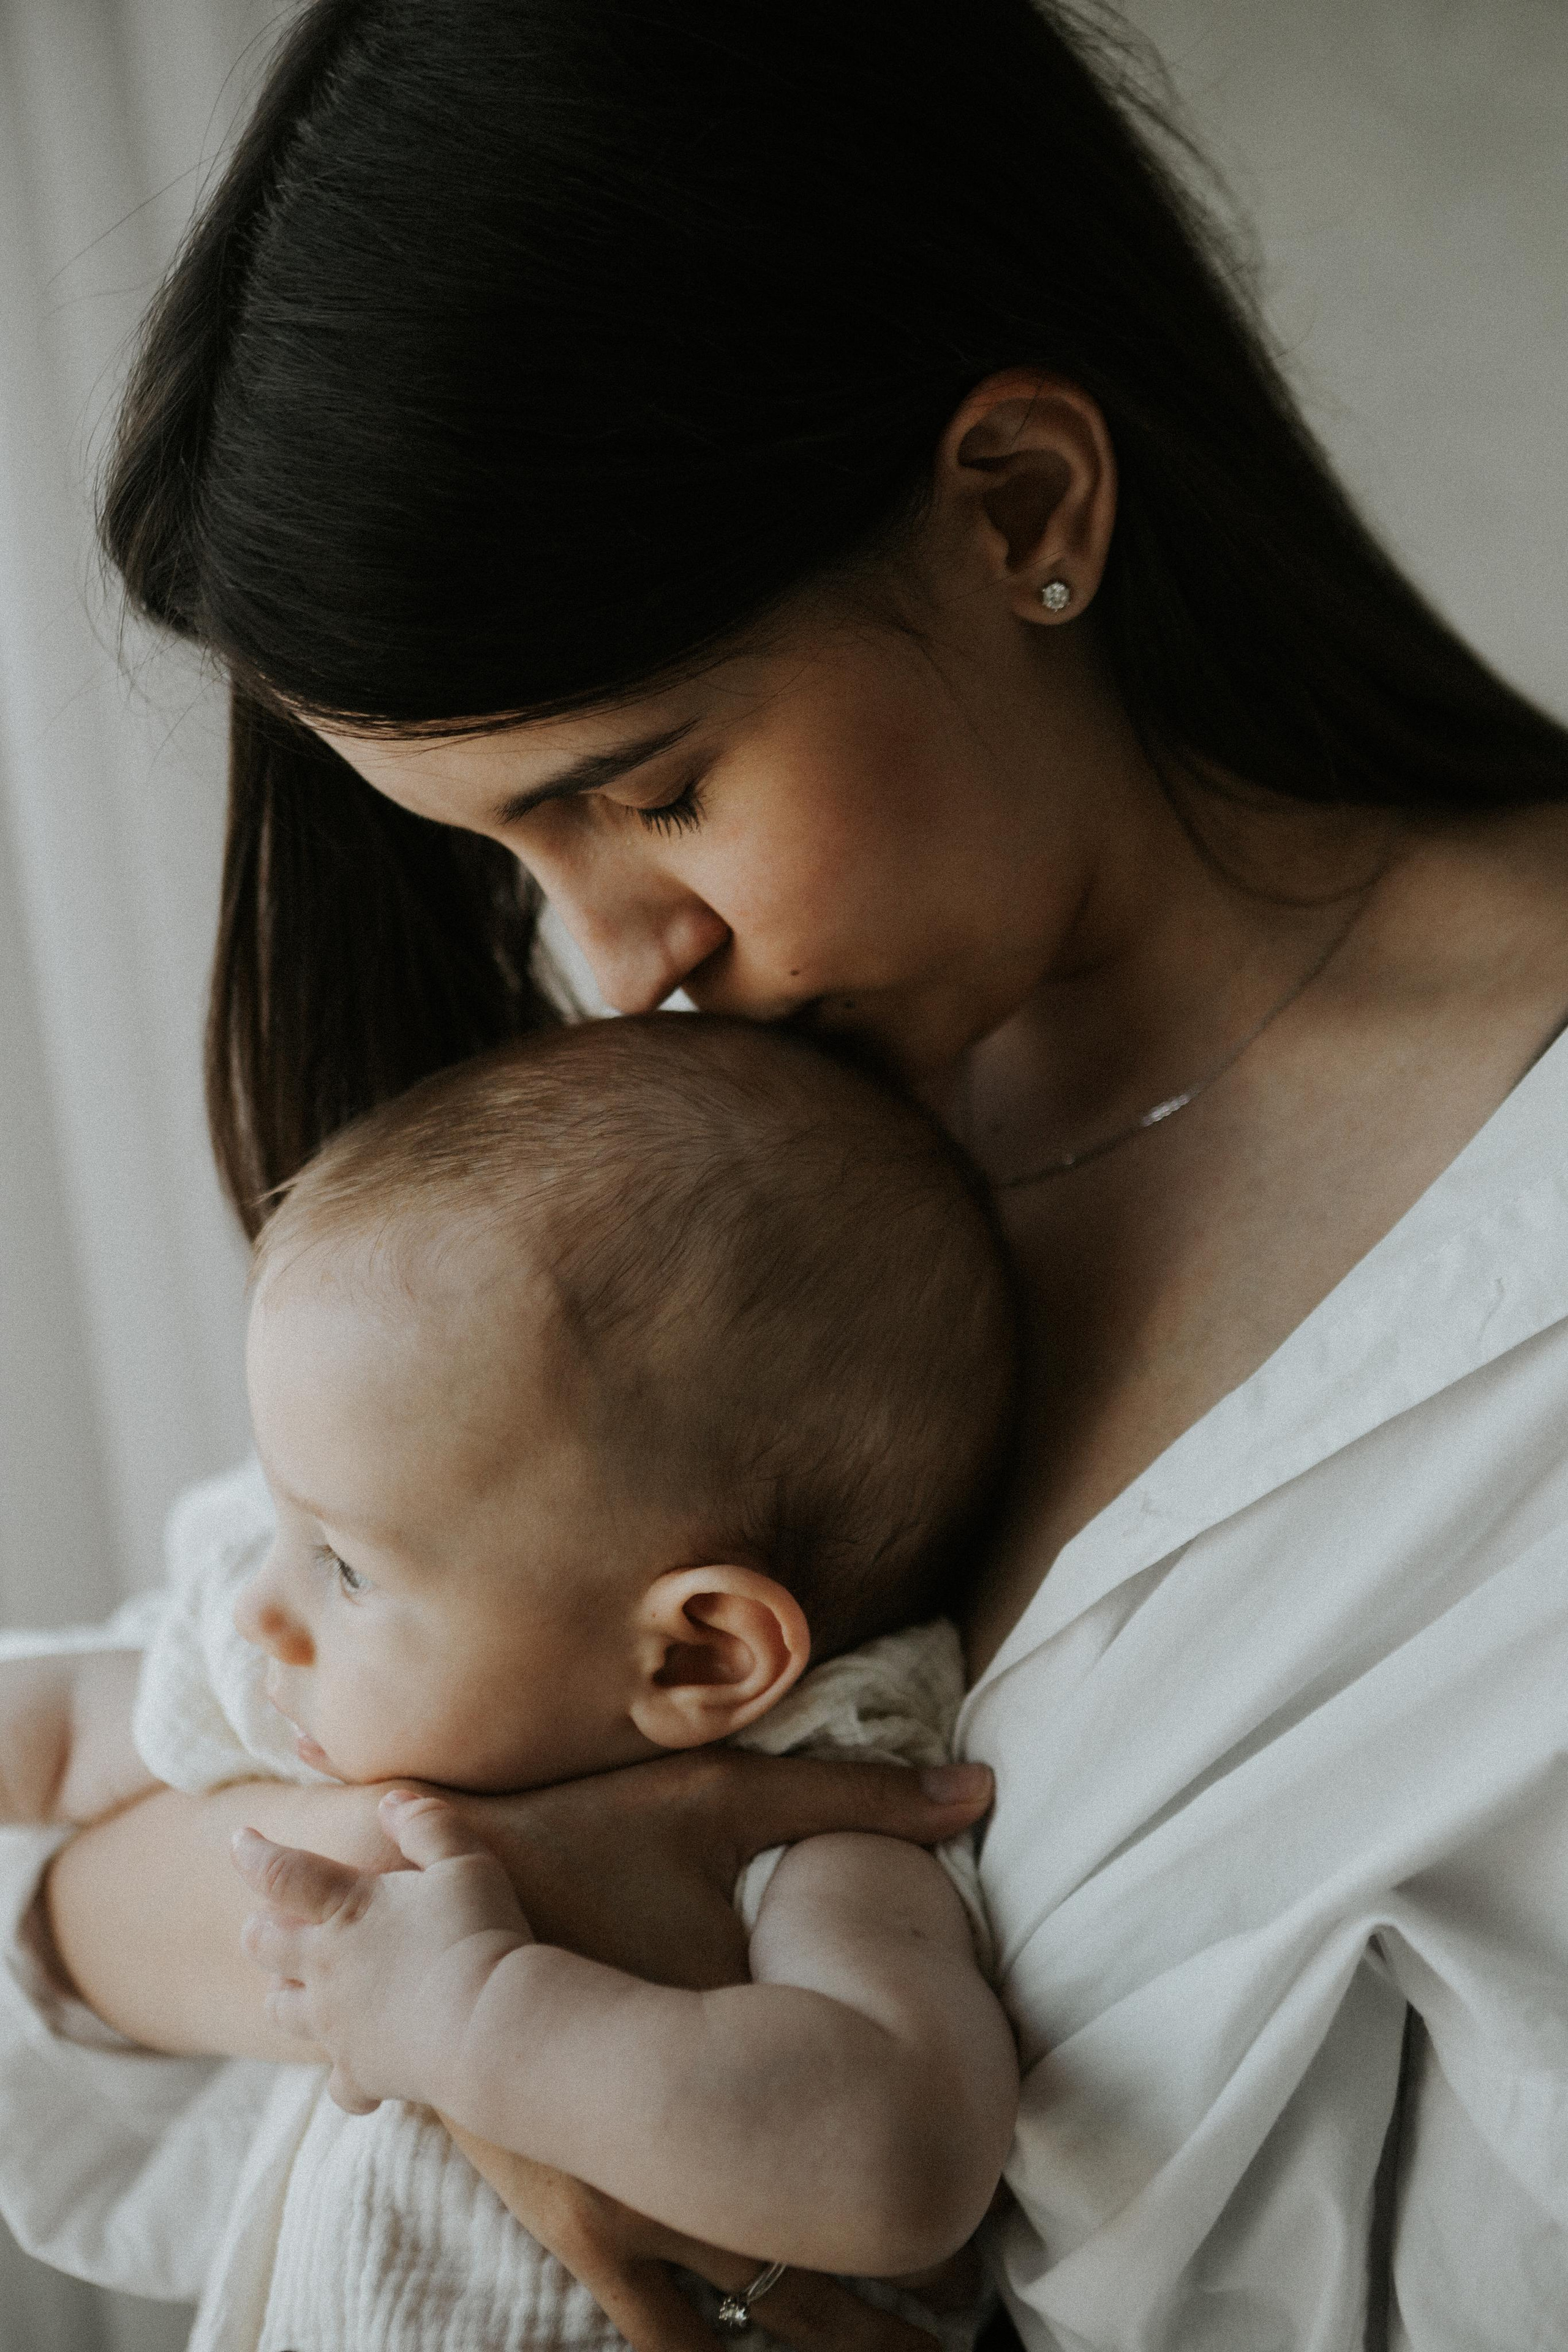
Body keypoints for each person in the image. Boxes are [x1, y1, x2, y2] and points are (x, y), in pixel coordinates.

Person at [4, 0, 1568, 2344]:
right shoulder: (666, 1187)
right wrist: (505, 1993)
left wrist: (498, 1973)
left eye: (651, 789)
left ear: (1027, 505)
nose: (609, 958)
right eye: (507, 850)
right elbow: (73, 1866)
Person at [0, 1013, 1022, 2350]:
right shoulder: (303, 1663)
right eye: (279, 1520)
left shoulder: (818, 1812)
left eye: (344, 1564)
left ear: (698, 1656)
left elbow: (898, 2165)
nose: (257, 1600)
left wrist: (468, 2020)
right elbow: (61, 1738)